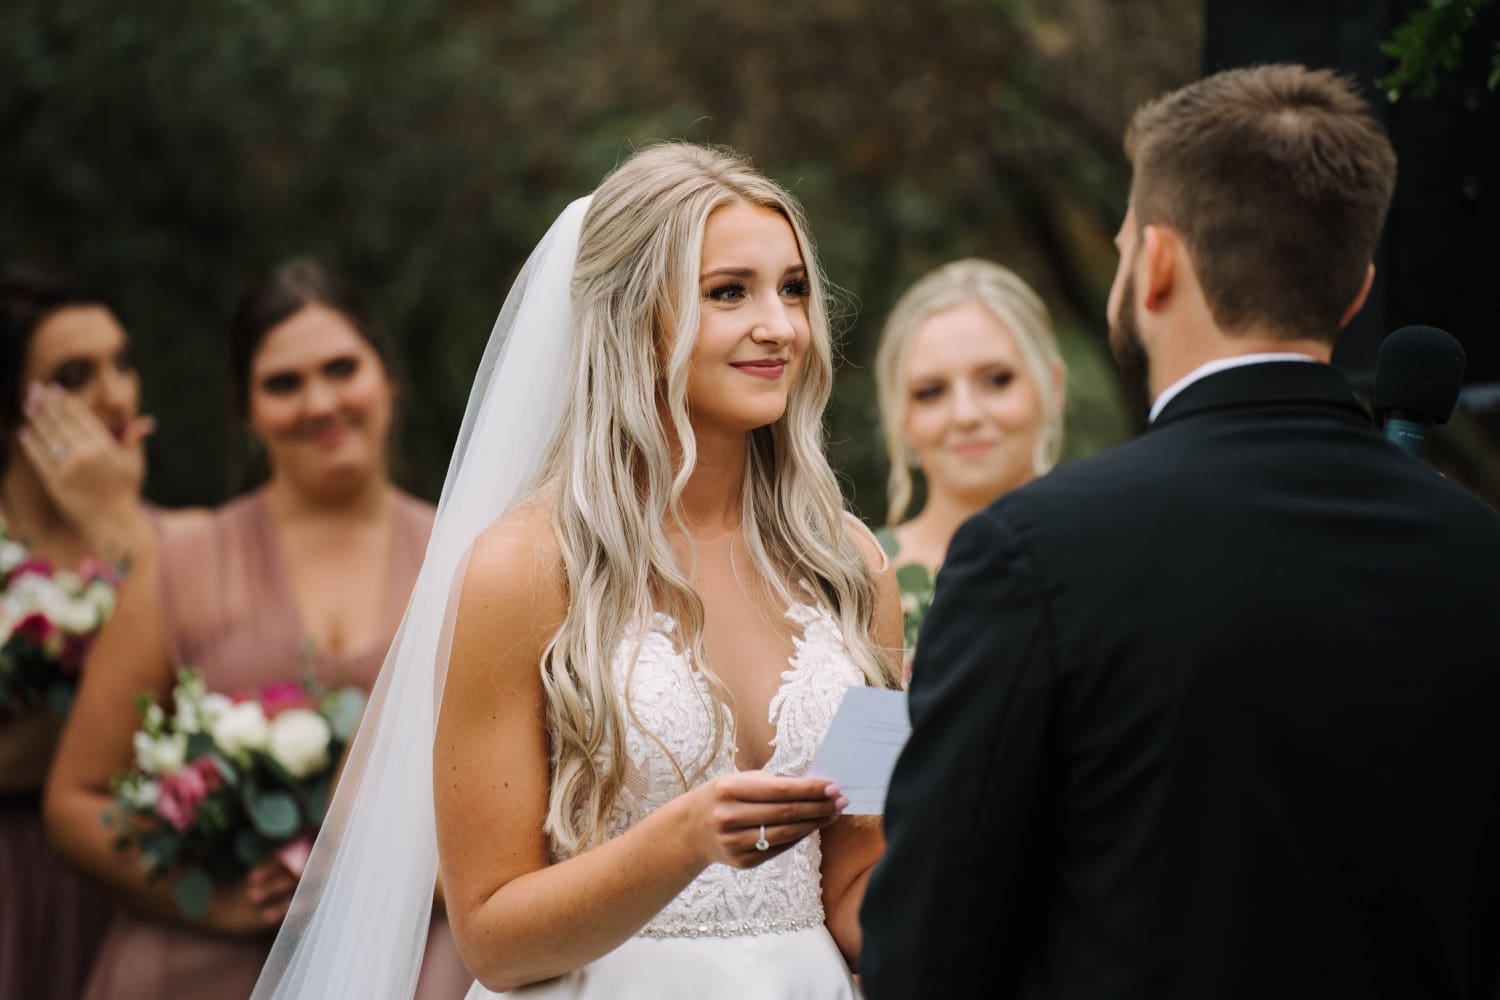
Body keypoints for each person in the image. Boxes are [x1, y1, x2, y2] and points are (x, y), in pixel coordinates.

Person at [862, 64, 1500, 999]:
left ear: (1155, 264)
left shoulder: (1037, 554)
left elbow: (927, 955)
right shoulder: (1481, 557)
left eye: (1121, 247)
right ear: (1356, 290)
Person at [250, 143, 903, 999]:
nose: (779, 326)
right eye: (728, 292)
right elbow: (490, 938)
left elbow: (858, 882)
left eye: (791, 289)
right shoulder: (521, 570)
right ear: (635, 317)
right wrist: (677, 845)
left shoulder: (851, 569)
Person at [43, 261, 469, 1000]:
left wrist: (402, 884)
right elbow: (75, 800)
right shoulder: (180, 566)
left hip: (409, 968)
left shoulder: (468, 559)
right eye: (284, 383)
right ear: (246, 409)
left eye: (342, 369)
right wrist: (215, 895)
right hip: (199, 969)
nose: (320, 402)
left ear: (387, 378)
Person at [0, 264, 155, 1000]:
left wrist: (119, 528)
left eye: (122, 363)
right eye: (73, 376)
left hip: (140, 884)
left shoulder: (167, 544)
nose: (115, 395)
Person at [871, 259, 1064, 664]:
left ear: (1053, 388)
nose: (966, 414)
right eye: (930, 391)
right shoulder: (854, 579)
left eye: (996, 380)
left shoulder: (1113, 555)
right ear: (900, 417)